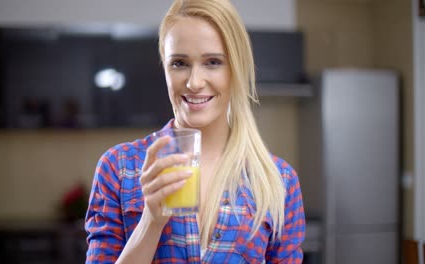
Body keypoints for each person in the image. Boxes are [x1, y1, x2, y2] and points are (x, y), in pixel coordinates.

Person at [85, 0, 306, 263]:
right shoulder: (119, 167)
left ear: (236, 68)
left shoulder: (279, 182)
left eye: (213, 62)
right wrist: (151, 222)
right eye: (179, 63)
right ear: (165, 69)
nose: (194, 82)